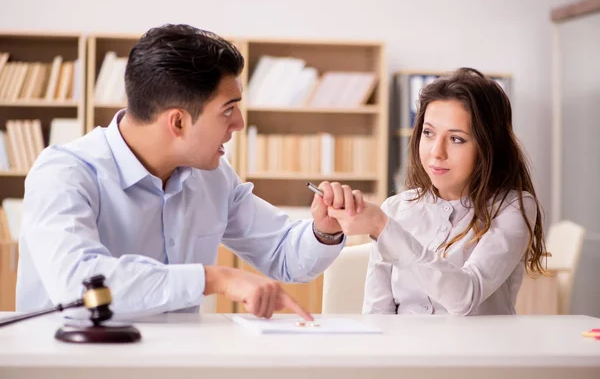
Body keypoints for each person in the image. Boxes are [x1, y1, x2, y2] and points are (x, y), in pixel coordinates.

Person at [16, 24, 365, 321]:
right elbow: (79, 287)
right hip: (74, 362)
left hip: (179, 361)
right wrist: (213, 279)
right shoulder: (64, 174)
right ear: (178, 121)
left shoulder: (212, 176)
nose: (240, 124)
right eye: (228, 110)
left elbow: (283, 255)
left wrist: (325, 231)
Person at [328, 67, 547, 315]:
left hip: (477, 352)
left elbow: (465, 296)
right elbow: (377, 313)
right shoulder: (396, 208)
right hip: (405, 351)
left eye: (456, 139)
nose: (436, 152)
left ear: (489, 146)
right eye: (429, 133)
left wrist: (382, 227)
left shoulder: (511, 207)